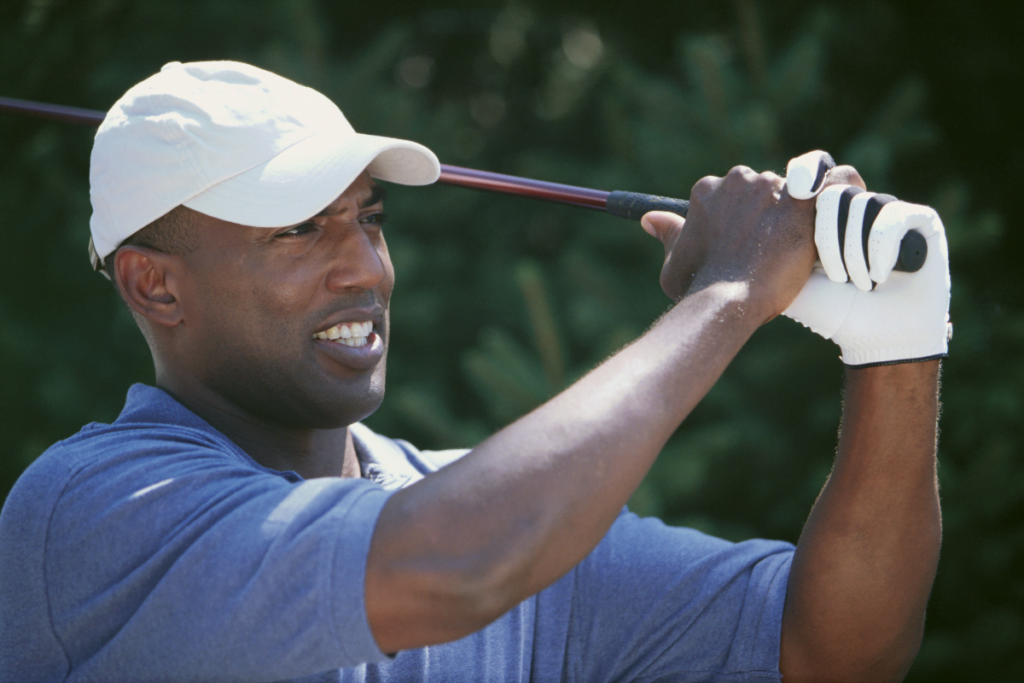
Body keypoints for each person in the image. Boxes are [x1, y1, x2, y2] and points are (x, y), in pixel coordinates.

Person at [0, 60, 950, 683]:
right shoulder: (91, 510)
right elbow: (453, 565)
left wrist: (896, 348)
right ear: (155, 285)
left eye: (368, 218)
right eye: (299, 229)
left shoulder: (490, 516)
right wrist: (731, 294)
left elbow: (830, 650)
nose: (366, 267)